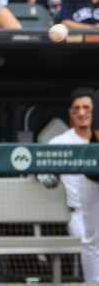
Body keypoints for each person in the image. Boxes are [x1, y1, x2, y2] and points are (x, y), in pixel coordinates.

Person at [37, 87, 94, 240]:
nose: (81, 113)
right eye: (77, 109)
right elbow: (42, 169)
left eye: (86, 108)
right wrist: (43, 174)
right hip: (81, 214)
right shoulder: (59, 142)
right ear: (71, 113)